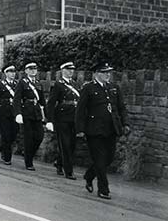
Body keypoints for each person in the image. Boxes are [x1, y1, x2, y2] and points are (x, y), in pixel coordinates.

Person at [75, 62, 129, 200]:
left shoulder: (114, 87)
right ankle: (103, 189)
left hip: (111, 128)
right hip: (94, 130)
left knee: (109, 158)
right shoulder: (88, 88)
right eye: (104, 72)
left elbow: (121, 107)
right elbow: (80, 110)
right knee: (99, 159)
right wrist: (80, 129)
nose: (107, 75)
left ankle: (89, 175)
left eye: (109, 72)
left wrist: (125, 123)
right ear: (96, 73)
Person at [46, 62, 80, 180]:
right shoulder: (58, 85)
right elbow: (51, 103)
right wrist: (49, 120)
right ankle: (68, 171)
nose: (71, 72)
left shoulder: (75, 84)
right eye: (68, 69)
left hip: (74, 117)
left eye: (72, 69)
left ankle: (59, 162)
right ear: (63, 71)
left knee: (72, 145)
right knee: (65, 144)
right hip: (62, 118)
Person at [13, 62, 45, 171]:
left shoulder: (38, 83)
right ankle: (28, 162)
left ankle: (29, 154)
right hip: (26, 112)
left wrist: (46, 115)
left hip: (36, 113)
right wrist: (18, 113)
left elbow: (42, 100)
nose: (33, 71)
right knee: (28, 138)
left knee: (39, 136)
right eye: (30, 69)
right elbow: (16, 99)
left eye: (35, 69)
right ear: (26, 71)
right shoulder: (22, 83)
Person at [0, 65, 19, 165]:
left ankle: (3, 148)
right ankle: (7, 157)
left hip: (14, 112)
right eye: (10, 72)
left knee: (14, 133)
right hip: (3, 112)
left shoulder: (17, 84)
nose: (13, 74)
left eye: (14, 72)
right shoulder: (0, 84)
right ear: (6, 73)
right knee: (6, 134)